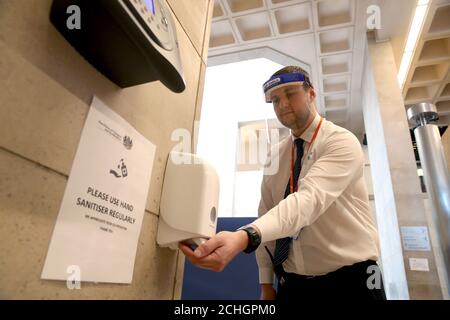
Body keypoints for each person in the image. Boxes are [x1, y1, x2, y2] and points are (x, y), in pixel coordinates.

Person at [179, 66, 386, 301]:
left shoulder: (340, 141)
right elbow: (266, 213)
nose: (282, 104)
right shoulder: (275, 156)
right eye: (275, 99)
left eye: (290, 93)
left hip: (353, 279)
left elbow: (307, 201)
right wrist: (266, 283)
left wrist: (244, 237)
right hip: (293, 283)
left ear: (311, 93)